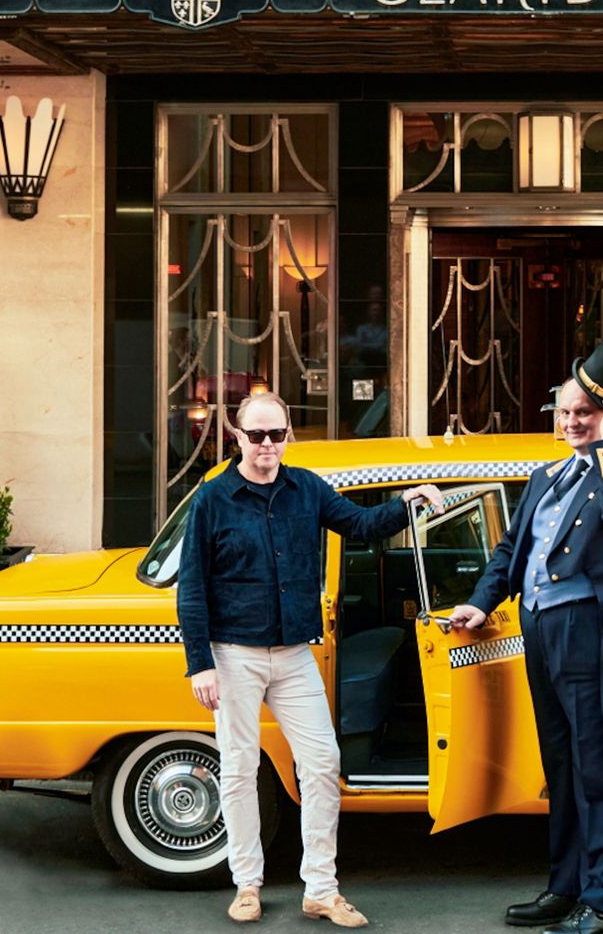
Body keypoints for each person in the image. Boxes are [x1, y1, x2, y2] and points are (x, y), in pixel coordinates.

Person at [177, 391, 439, 928]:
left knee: (322, 763)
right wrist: (199, 662)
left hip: (294, 653)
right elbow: (193, 587)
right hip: (233, 654)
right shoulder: (213, 498)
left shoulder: (307, 489)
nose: (268, 445)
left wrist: (408, 500)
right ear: (237, 435)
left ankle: (321, 887)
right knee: (238, 769)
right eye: (257, 435)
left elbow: (361, 525)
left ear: (289, 433)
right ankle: (246, 884)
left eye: (277, 434)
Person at [449, 345, 603, 934]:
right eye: (565, 413)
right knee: (562, 766)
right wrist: (479, 601)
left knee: (601, 767)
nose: (572, 423)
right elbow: (512, 550)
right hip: (540, 628)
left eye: (585, 413)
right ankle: (565, 888)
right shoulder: (544, 475)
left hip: (590, 631)